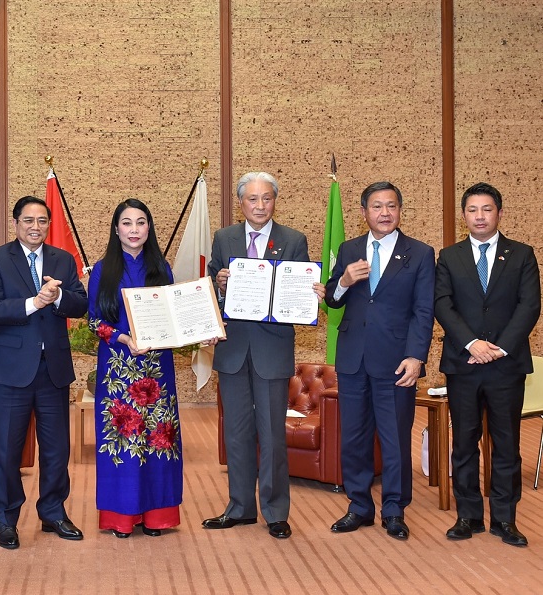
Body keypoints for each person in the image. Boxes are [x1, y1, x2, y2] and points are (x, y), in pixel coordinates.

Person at [202, 171, 323, 540]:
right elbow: (210, 289)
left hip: (272, 349)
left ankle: (275, 512)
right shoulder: (224, 237)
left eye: (266, 198)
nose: (259, 205)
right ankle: (239, 508)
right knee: (236, 434)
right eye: (252, 199)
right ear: (241, 203)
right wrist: (220, 286)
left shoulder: (293, 240)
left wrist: (307, 296)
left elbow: (297, 296)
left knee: (272, 435)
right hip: (233, 350)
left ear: (275, 201)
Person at [325, 181, 435, 541]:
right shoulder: (349, 248)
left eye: (391, 206)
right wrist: (344, 281)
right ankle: (359, 506)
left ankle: (394, 510)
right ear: (364, 212)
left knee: (394, 439)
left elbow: (423, 311)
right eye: (376, 206)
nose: (384, 213)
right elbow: (332, 299)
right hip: (353, 359)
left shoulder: (420, 253)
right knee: (354, 438)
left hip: (396, 362)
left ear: (400, 210)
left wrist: (416, 357)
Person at [0, 195, 88, 550]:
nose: (35, 227)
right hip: (11, 371)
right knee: (7, 450)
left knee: (56, 449)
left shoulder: (63, 259)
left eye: (42, 221)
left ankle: (53, 512)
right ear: (15, 223)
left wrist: (58, 298)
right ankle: (5, 518)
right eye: (28, 220)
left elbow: (81, 303)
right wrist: (34, 302)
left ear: (49, 224)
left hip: (53, 370)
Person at [89, 199, 204, 538]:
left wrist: (201, 329)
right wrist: (122, 338)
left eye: (141, 222)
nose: (134, 229)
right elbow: (94, 320)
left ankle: (157, 516)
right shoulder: (102, 269)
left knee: (158, 441)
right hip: (118, 368)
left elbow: (175, 317)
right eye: (127, 223)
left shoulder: (161, 268)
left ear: (149, 228)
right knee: (123, 442)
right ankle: (122, 517)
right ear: (116, 229)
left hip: (157, 369)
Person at [435, 182, 540, 547]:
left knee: (507, 444)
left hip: (505, 366)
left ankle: (505, 519)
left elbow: (530, 306)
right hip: (463, 363)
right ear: (464, 215)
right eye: (472, 210)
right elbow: (442, 304)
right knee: (464, 442)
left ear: (499, 213)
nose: (479, 216)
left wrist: (499, 348)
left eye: (487, 209)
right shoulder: (449, 256)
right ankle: (468, 516)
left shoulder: (522, 254)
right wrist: (472, 343)